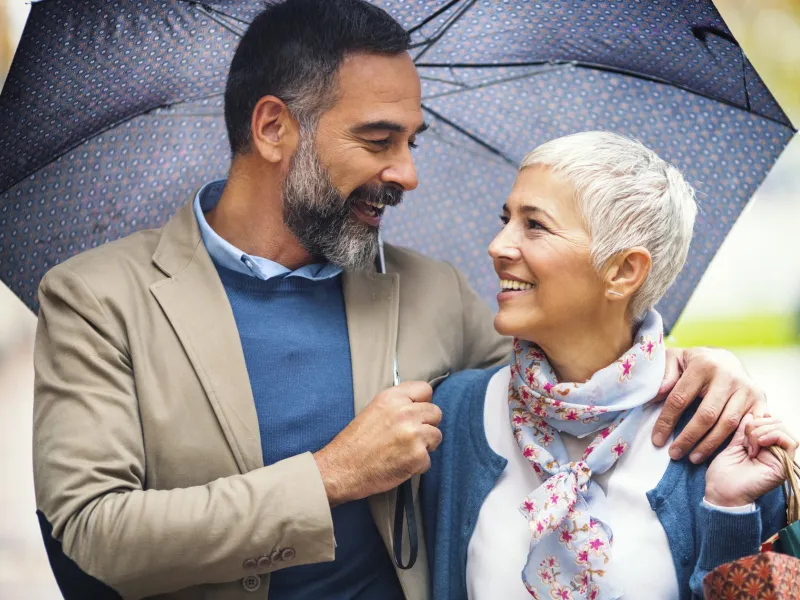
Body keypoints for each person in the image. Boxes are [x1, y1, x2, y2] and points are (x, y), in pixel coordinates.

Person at [31, 2, 773, 599]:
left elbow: (572, 382)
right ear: (272, 127)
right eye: (380, 140)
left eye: (412, 140)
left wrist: (695, 367)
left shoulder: (432, 293)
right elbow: (97, 534)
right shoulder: (97, 300)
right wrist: (329, 477)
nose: (407, 174)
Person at [421, 131, 796, 600]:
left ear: (622, 272)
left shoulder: (720, 437)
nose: (498, 245)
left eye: (534, 225)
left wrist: (728, 512)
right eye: (506, 219)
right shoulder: (453, 415)